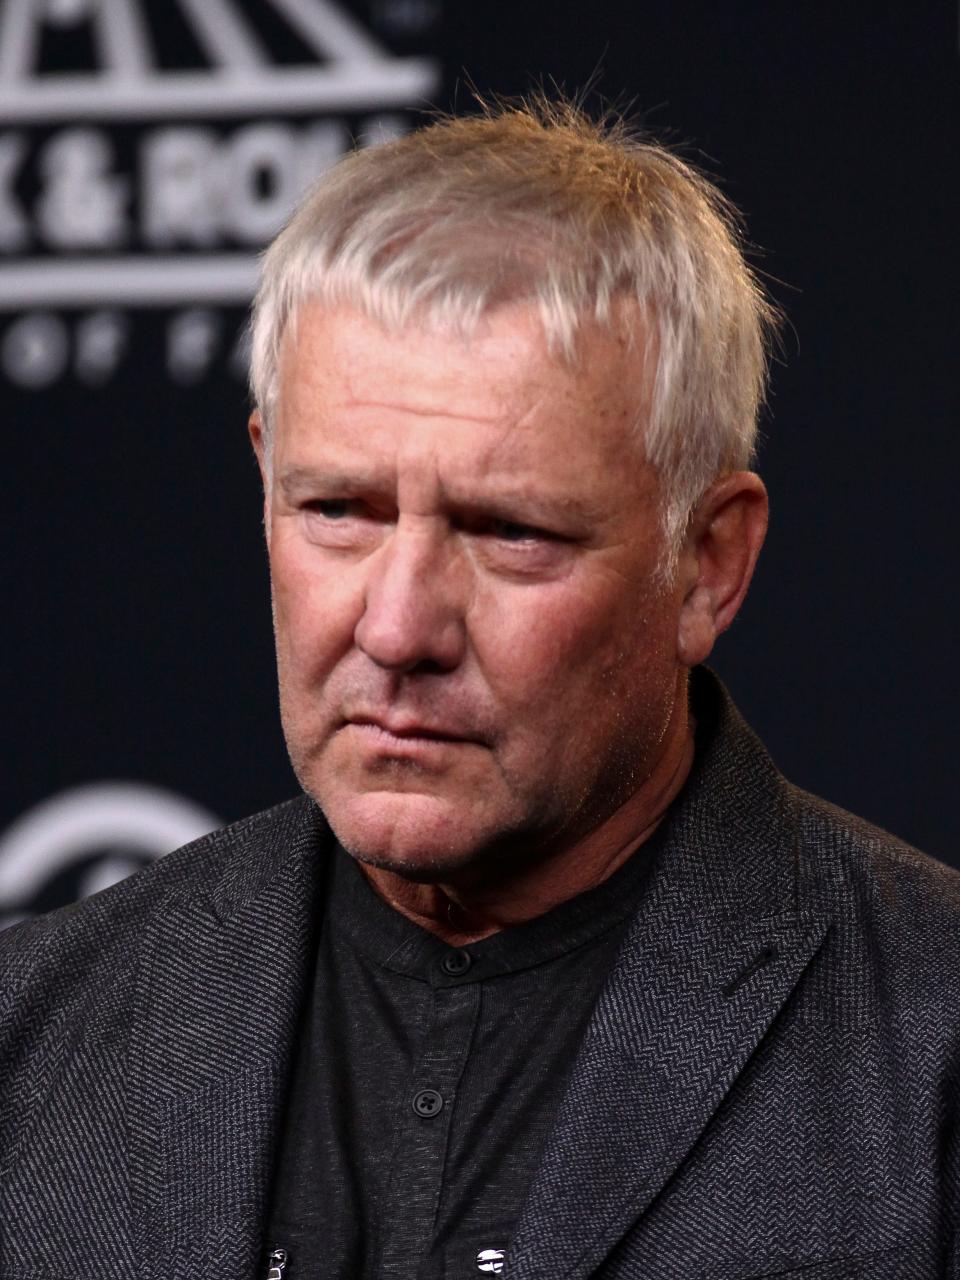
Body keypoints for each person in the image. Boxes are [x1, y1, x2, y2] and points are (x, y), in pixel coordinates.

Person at [1, 96, 958, 1279]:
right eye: (339, 510)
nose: (396, 626)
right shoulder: (32, 1031)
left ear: (708, 563)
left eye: (510, 531)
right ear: (263, 490)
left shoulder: (931, 1048)